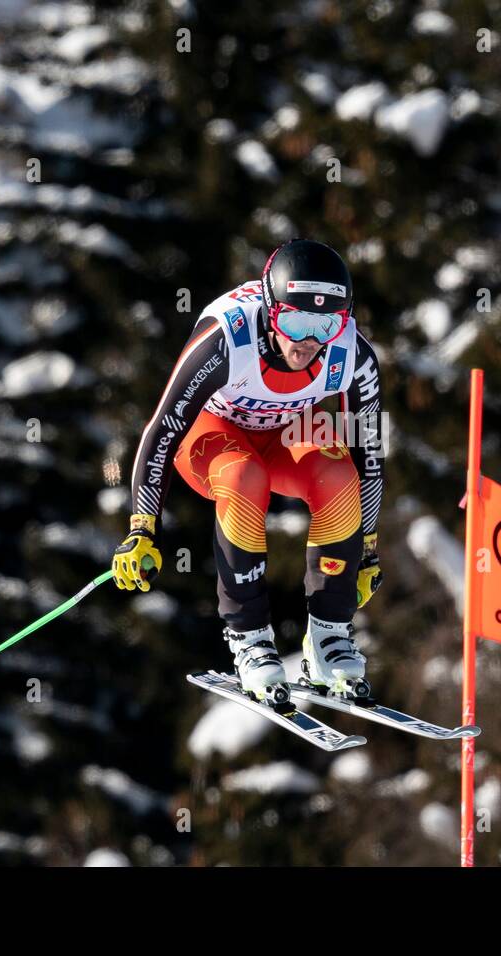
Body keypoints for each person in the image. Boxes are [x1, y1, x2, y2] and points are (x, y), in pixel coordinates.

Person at [112, 239, 384, 702]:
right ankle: (250, 639)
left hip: (284, 430)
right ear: (271, 309)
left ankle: (328, 637)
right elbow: (163, 428)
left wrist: (369, 547)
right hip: (211, 435)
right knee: (245, 478)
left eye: (326, 323)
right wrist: (142, 528)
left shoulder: (352, 354)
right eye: (295, 321)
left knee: (338, 476)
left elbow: (368, 454)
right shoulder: (228, 338)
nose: (309, 340)